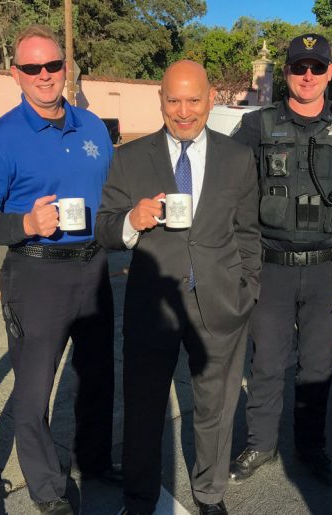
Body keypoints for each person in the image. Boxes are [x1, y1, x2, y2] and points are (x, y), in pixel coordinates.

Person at [0, 25, 118, 515]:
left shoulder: (92, 127)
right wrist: (26, 224)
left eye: (52, 64)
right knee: (34, 392)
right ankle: (48, 491)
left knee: (97, 376)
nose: (44, 75)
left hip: (93, 266)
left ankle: (94, 462)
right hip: (36, 274)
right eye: (32, 67)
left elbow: (113, 191)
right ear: (16, 74)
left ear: (65, 67)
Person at [227, 33, 332, 486]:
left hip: (328, 270)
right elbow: (223, 183)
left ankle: (311, 447)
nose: (307, 75)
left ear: (330, 72)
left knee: (317, 367)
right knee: (266, 365)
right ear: (286, 71)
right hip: (271, 268)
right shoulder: (257, 125)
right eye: (299, 67)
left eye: (316, 67)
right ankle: (261, 444)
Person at [96, 60, 261, 515]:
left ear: (211, 99)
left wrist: (248, 289)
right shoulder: (130, 158)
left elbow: (248, 233)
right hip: (154, 306)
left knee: (216, 408)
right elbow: (105, 228)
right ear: (161, 100)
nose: (184, 111)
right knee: (144, 411)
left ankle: (209, 493)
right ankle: (139, 499)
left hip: (222, 303)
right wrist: (132, 220)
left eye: (193, 99)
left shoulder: (237, 158)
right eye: (174, 100)